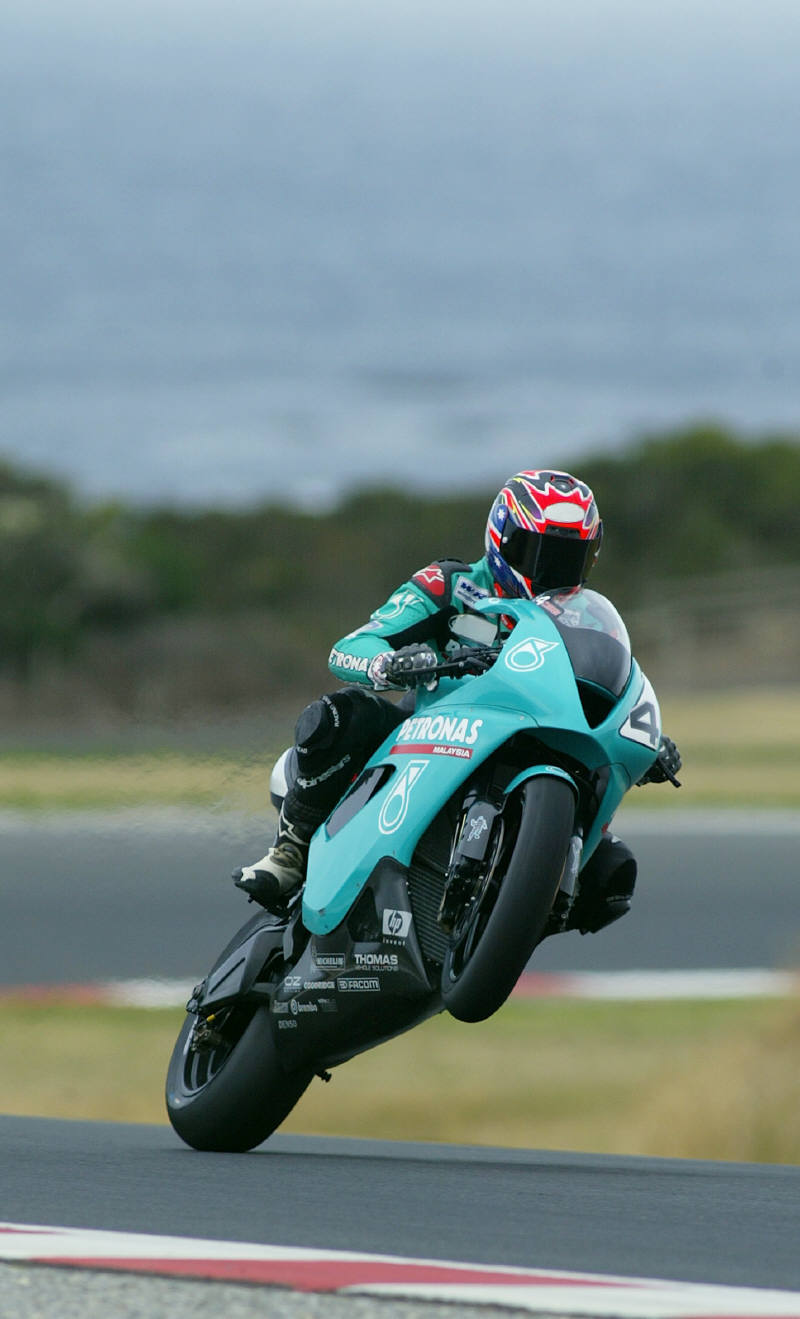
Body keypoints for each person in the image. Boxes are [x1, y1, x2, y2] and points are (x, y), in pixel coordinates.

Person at [233, 469, 681, 936]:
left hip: (531, 734)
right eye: (539, 553)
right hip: (431, 726)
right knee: (339, 716)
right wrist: (389, 664)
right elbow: (352, 646)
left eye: (570, 558)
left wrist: (637, 736)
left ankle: (510, 917)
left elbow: (604, 681)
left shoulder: (582, 616)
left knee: (613, 874)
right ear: (502, 539)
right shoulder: (451, 584)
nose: (554, 572)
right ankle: (292, 850)